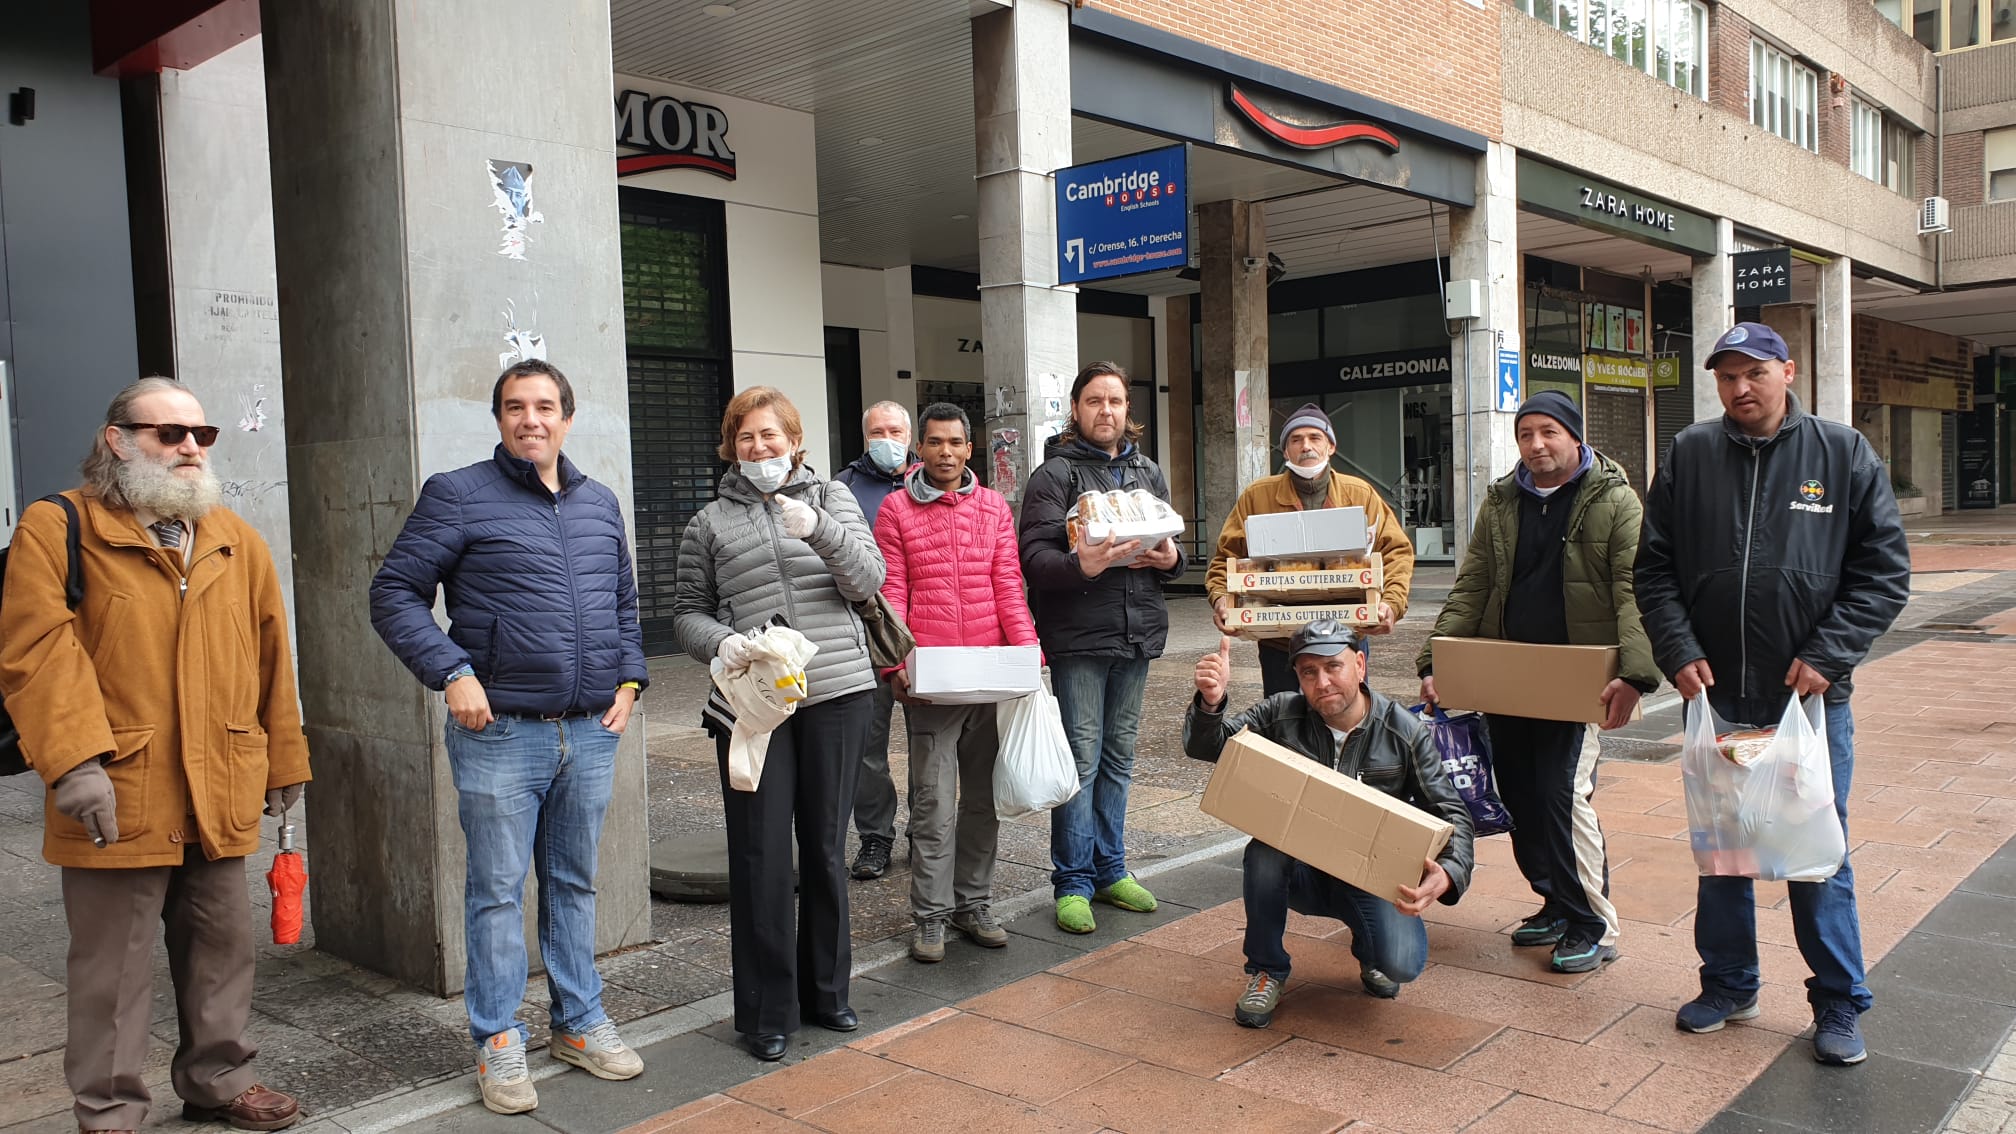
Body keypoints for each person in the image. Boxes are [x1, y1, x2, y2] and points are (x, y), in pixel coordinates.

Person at [0, 377, 312, 1132]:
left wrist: (285, 760)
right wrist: (74, 763)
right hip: (119, 787)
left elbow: (272, 657)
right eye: (169, 433)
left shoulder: (233, 538)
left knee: (222, 947)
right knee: (111, 967)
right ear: (117, 440)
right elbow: (37, 654)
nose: (189, 448)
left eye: (201, 435)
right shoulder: (58, 526)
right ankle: (109, 1108)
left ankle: (219, 1080)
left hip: (219, 781)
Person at [371, 359, 650, 1113]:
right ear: (499, 419)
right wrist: (451, 671)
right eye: (515, 407)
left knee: (573, 883)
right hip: (501, 733)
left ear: (567, 417)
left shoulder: (599, 503)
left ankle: (578, 1023)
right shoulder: (458, 495)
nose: (532, 419)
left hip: (589, 731)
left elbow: (624, 604)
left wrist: (629, 683)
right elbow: (393, 592)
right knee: (496, 893)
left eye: (545, 406)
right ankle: (497, 1040)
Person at [1637, 322, 1909, 1066]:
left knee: (1816, 850)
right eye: (1727, 376)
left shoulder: (1841, 453)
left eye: (1754, 372)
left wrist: (1829, 653)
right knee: (1724, 846)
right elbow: (1654, 570)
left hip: (1809, 703)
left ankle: (1838, 1001)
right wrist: (1677, 649)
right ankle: (1729, 983)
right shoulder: (1690, 454)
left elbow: (1884, 573)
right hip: (1718, 698)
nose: (1740, 388)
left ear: (1788, 371)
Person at [672, 386, 885, 1062]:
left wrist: (817, 529)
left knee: (824, 847)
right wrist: (721, 642)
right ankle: (768, 1012)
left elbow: (868, 580)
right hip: (754, 702)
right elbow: (687, 613)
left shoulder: (834, 498)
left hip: (837, 690)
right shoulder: (708, 522)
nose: (760, 447)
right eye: (747, 437)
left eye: (771, 435)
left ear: (795, 441)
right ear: (731, 447)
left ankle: (828, 991)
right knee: (759, 854)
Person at [1417, 390, 1658, 974]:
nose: (1536, 444)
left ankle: (1592, 923)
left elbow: (1634, 589)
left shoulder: (1615, 500)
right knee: (1521, 795)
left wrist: (1635, 673)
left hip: (1576, 682)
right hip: (1510, 677)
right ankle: (1554, 901)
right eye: (1526, 434)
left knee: (1560, 796)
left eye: (1549, 432)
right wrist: (1435, 662)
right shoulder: (1503, 500)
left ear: (1575, 435)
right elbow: (1474, 583)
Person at [1185, 620, 1474, 1027]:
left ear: (1360, 665)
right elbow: (1210, 748)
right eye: (1309, 672)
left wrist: (1450, 870)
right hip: (1299, 867)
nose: (1322, 682)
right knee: (1264, 852)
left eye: (1333, 667)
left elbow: (1451, 811)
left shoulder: (1402, 730)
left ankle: (1370, 948)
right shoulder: (1281, 713)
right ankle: (1266, 969)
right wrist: (1211, 703)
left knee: (1401, 964)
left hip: (1369, 875)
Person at [1018, 361, 1185, 935]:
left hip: (1137, 633)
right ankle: (1072, 881)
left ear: (1127, 409)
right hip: (1080, 639)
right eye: (1094, 401)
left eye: (1114, 400)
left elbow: (1172, 550)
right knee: (1081, 762)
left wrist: (1172, 560)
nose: (1105, 411)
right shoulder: (1055, 475)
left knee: (1118, 759)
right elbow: (1034, 560)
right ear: (1076, 409)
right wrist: (1080, 565)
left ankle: (1112, 869)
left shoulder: (1147, 472)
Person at [875, 403, 1038, 963]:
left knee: (981, 801)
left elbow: (1008, 584)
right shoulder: (896, 509)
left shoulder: (993, 508)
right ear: (919, 449)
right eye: (935, 442)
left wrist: (1028, 653)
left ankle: (974, 903)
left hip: (989, 676)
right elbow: (892, 593)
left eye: (955, 443)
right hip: (932, 682)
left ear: (970, 449)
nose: (945, 452)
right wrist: (895, 665)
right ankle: (930, 915)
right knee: (933, 803)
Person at [1205, 402, 1416, 695]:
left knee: (1347, 715)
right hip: (1281, 641)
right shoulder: (1257, 497)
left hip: (1344, 636)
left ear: (1331, 446)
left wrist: (1391, 604)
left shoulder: (1360, 494)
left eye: (1315, 437)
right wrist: (1221, 600)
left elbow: (1397, 552)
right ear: (1285, 451)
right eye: (1296, 439)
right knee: (1284, 717)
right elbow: (1225, 558)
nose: (1306, 446)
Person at [834, 400, 915, 880]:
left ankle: (925, 831)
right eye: (877, 432)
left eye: (895, 431)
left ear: (910, 435)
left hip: (923, 630)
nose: (887, 440)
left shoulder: (928, 480)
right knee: (868, 743)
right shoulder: (842, 488)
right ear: (865, 438)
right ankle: (876, 836)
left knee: (928, 740)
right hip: (864, 631)